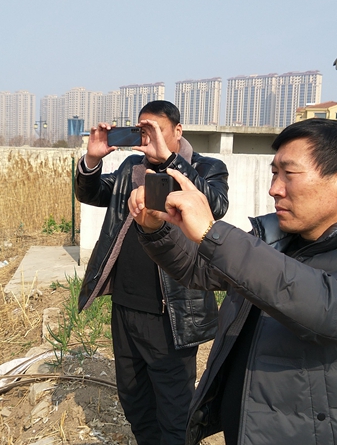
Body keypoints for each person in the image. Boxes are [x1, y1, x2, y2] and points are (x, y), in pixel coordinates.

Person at [128, 118, 337, 444]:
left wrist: (214, 234)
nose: (274, 188)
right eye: (274, 173)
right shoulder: (272, 239)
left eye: (289, 174)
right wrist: (155, 228)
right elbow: (198, 269)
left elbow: (332, 309)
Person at [74, 100, 229, 444]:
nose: (147, 138)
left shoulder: (206, 167)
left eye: (155, 130)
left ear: (178, 131)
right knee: (135, 401)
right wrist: (92, 161)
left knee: (174, 411)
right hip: (126, 306)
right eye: (141, 130)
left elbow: (215, 205)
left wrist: (171, 162)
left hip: (171, 314)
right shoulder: (132, 167)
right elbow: (93, 192)